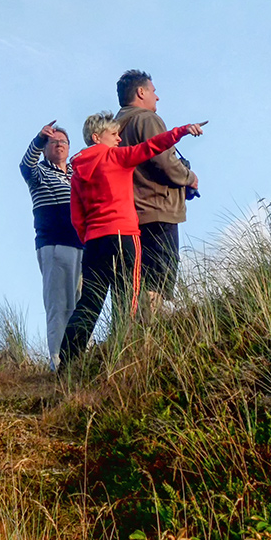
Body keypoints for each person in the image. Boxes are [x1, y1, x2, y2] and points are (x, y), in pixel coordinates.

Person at [56, 111, 205, 370]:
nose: (119, 137)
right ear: (96, 137)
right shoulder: (117, 157)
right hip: (124, 236)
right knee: (127, 298)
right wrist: (182, 130)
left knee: (89, 301)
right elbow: (153, 146)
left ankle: (66, 362)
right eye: (113, 134)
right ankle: (125, 356)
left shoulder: (78, 170)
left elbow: (77, 215)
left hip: (94, 241)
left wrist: (88, 237)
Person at [114, 70, 200, 312]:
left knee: (129, 284)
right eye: (153, 91)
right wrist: (189, 177)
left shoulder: (113, 127)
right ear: (141, 92)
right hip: (156, 210)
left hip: (125, 217)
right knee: (157, 280)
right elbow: (163, 161)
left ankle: (126, 338)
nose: (157, 97)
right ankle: (149, 337)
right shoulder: (147, 120)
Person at [19, 121, 83, 369]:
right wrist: (38, 139)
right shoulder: (40, 174)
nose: (58, 145)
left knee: (78, 302)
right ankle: (57, 359)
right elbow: (26, 165)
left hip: (80, 244)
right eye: (53, 141)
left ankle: (76, 356)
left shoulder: (75, 175)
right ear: (45, 149)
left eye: (63, 142)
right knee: (58, 303)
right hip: (55, 243)